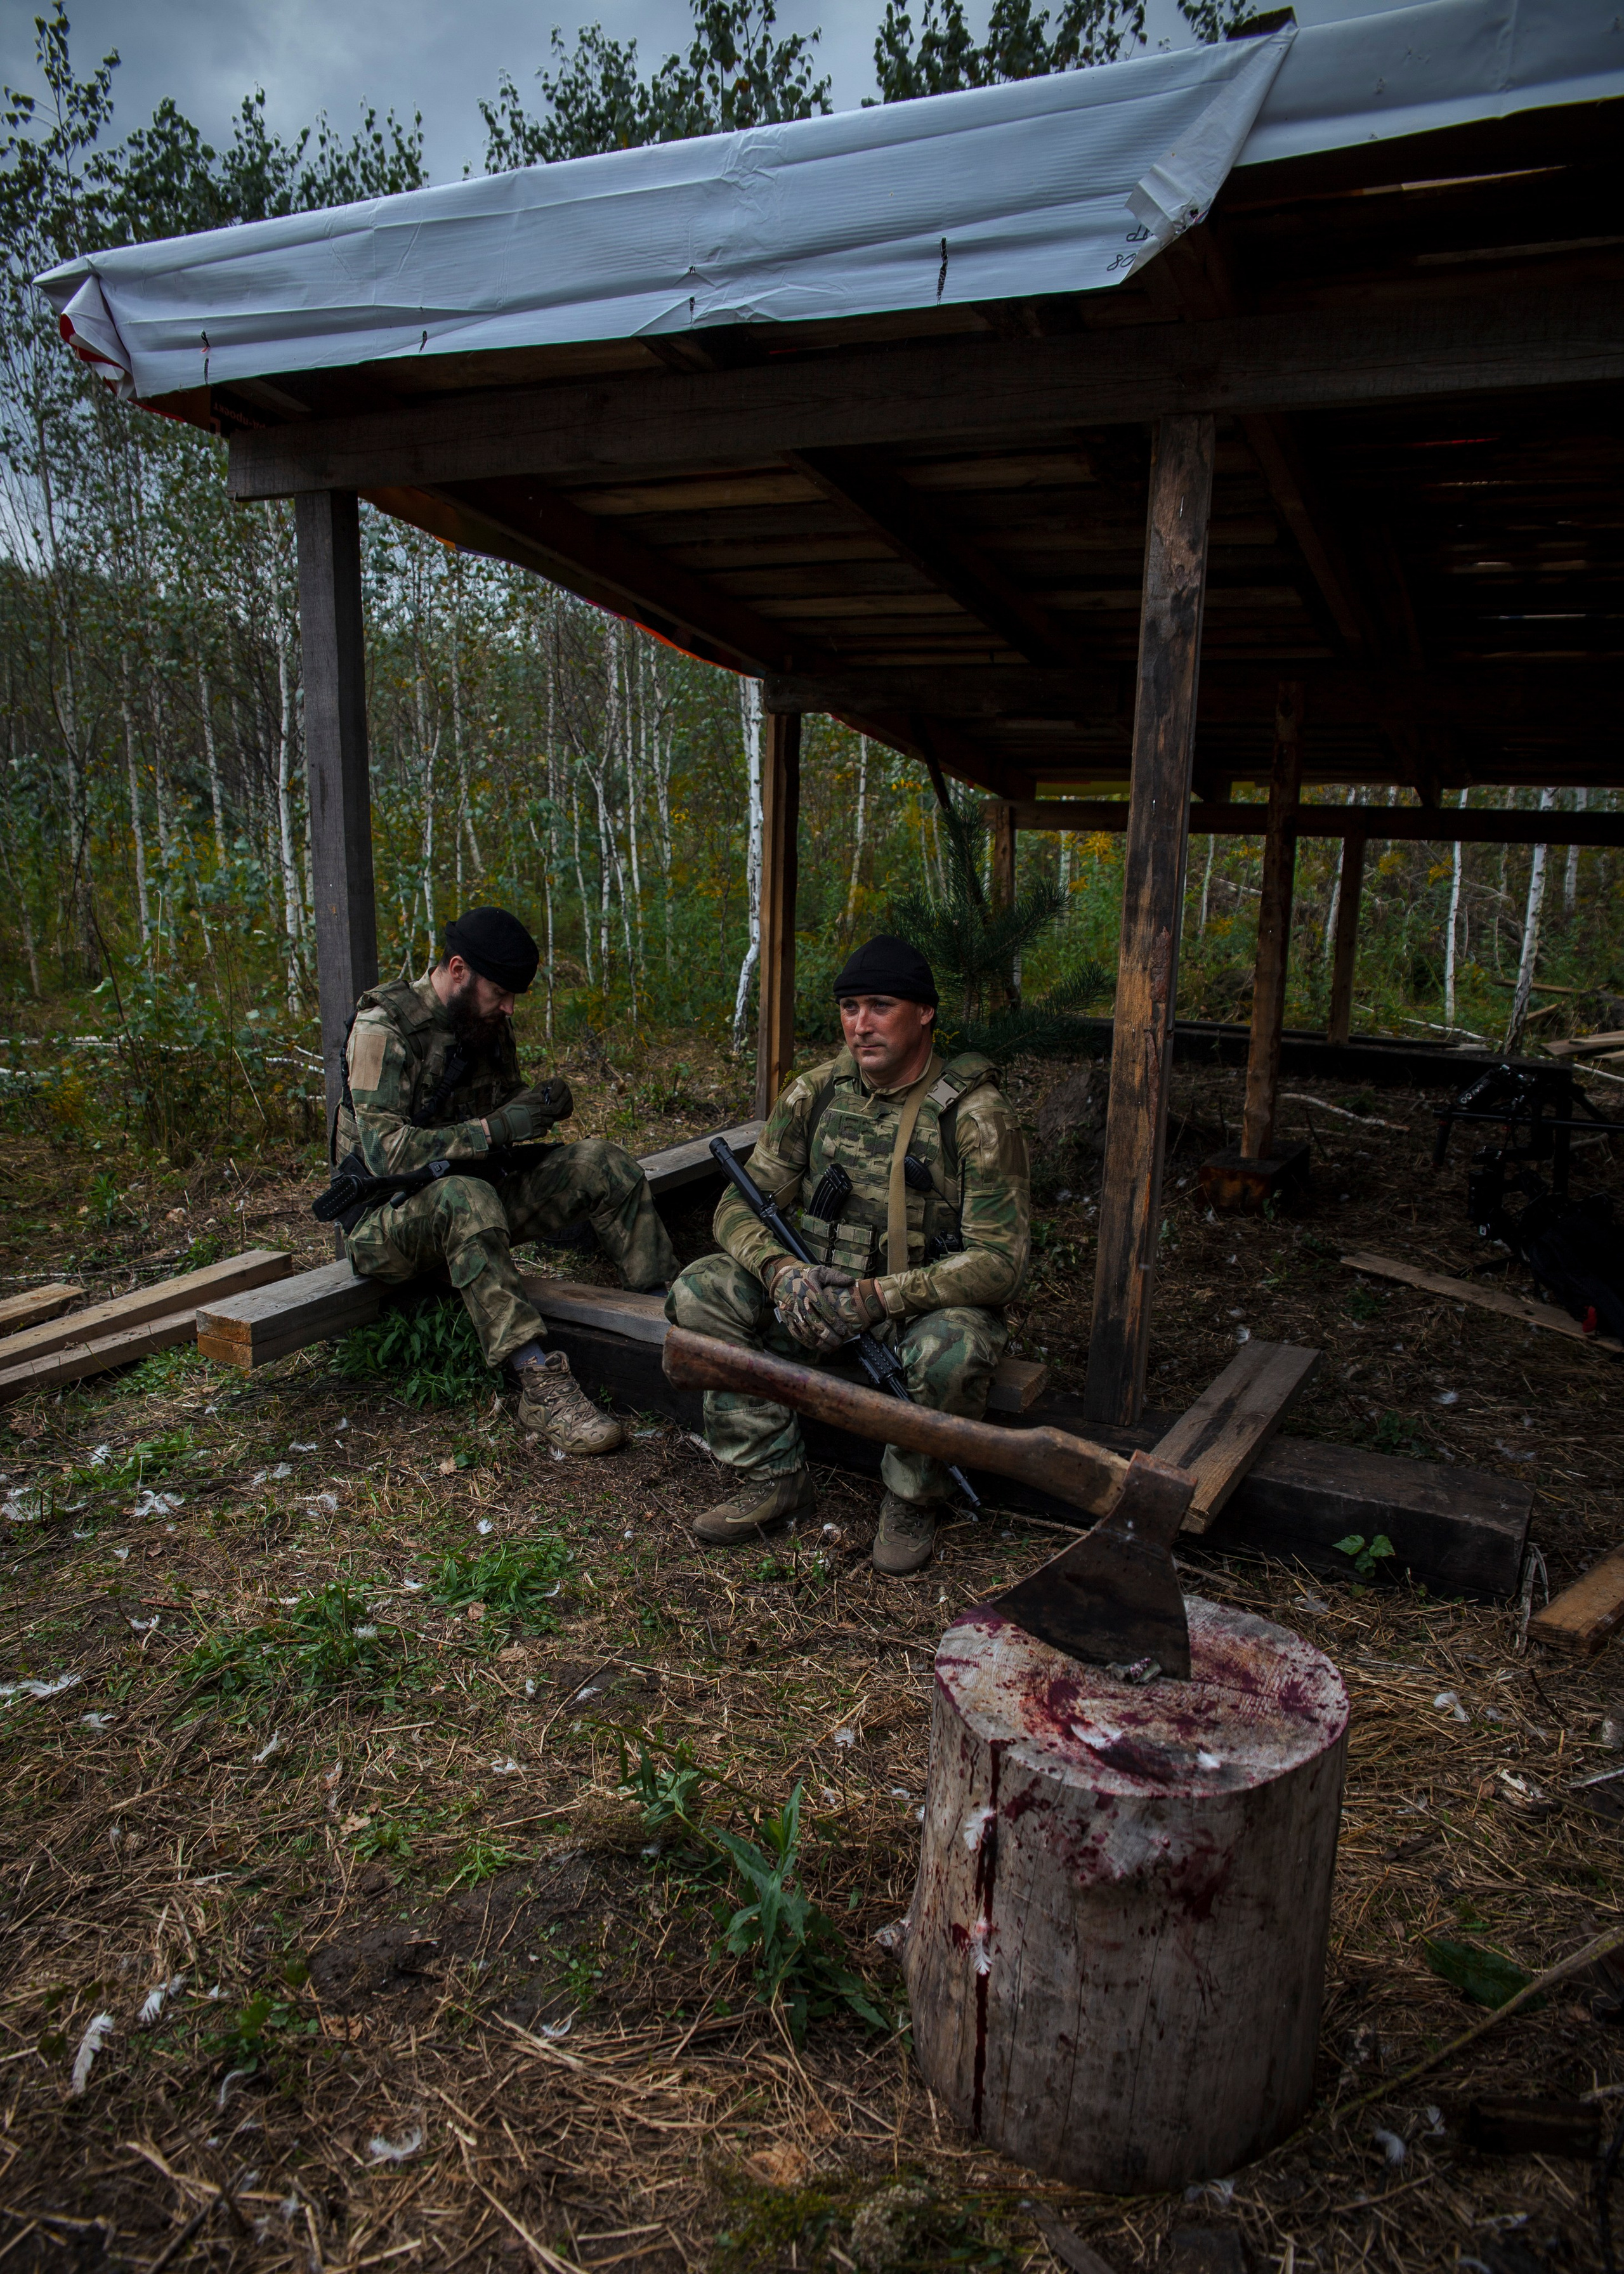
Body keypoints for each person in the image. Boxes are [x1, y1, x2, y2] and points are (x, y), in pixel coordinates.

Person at [667, 934, 1030, 1575]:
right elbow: (737, 1205)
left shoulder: (974, 1117)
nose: (859, 1025)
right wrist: (782, 1273)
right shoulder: (817, 1094)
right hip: (817, 1299)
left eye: (879, 1006)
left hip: (910, 1309)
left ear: (924, 1012)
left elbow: (999, 1263)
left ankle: (912, 1497)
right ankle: (773, 1475)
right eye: (849, 1007)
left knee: (955, 1349)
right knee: (700, 1291)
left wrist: (876, 1298)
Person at [332, 906, 677, 1454]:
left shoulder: (485, 1022)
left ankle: (669, 1316)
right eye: (502, 992)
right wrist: (492, 1128)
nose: (510, 1007)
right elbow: (385, 1154)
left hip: (473, 1200)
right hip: (385, 1224)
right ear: (459, 969)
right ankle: (538, 1382)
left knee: (602, 1162)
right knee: (465, 1198)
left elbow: (499, 1130)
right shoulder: (385, 1029)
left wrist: (534, 1106)